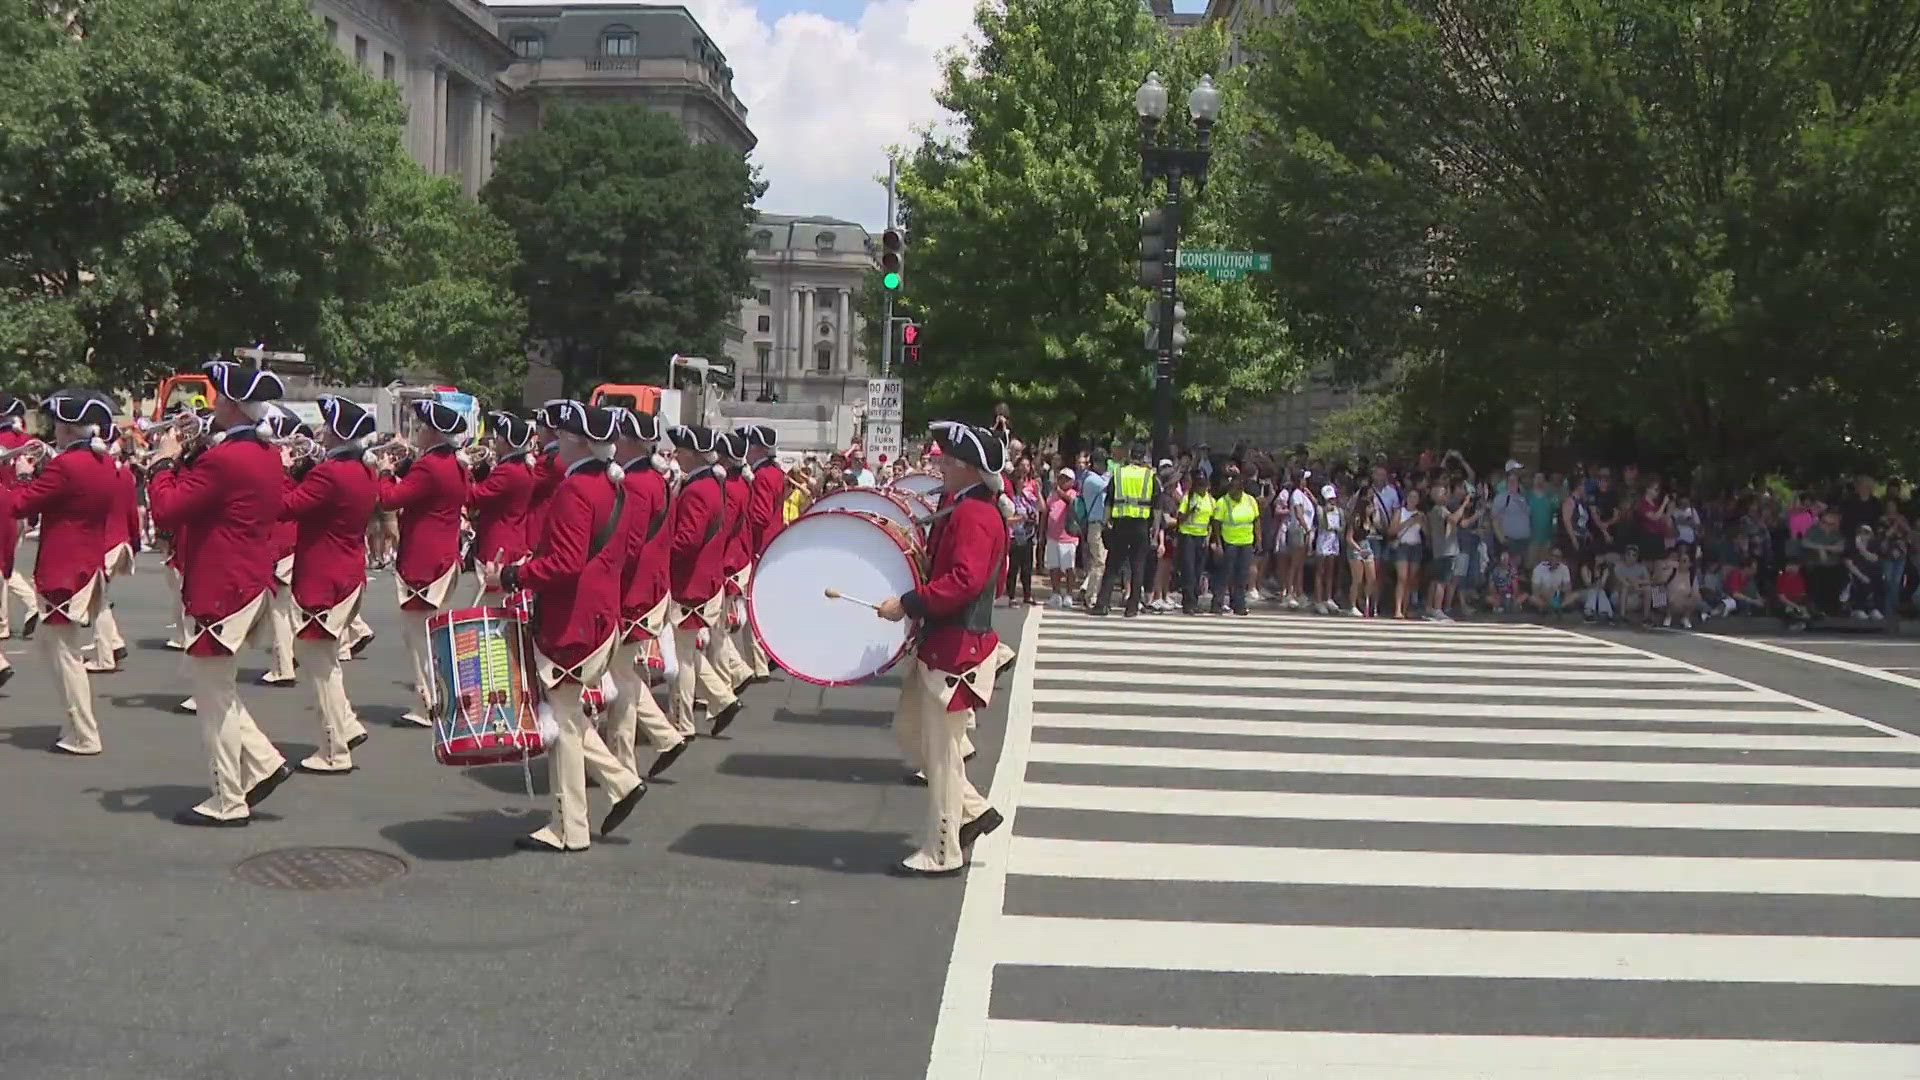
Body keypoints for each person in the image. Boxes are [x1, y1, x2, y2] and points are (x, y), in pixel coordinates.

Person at [483, 402, 647, 854]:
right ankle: (621, 783)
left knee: (564, 725)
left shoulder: (577, 489)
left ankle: (569, 827)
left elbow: (566, 564)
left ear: (576, 440)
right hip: (599, 613)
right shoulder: (613, 485)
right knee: (569, 714)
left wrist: (513, 576)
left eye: (558, 434)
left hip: (573, 618)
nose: (549, 441)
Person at [147, 363, 295, 825]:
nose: (210, 404)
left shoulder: (226, 457)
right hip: (247, 578)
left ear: (231, 404)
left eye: (217, 397)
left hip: (221, 585)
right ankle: (264, 763)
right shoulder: (262, 453)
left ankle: (228, 799)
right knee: (218, 690)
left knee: (212, 699)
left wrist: (164, 460)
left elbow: (168, 507)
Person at [874, 422, 1008, 877]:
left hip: (956, 645)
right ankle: (972, 812)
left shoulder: (974, 515)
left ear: (969, 469)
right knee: (914, 733)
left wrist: (908, 603)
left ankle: (943, 848)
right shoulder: (967, 508)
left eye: (947, 462)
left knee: (942, 753)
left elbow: (965, 581)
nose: (939, 467)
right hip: (944, 640)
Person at [12, 390, 117, 753]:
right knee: (50, 645)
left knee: (64, 655)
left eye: (58, 424)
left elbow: (22, 504)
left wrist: (22, 476)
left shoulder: (67, 465)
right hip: (86, 562)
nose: (54, 431)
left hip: (63, 567)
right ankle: (76, 724)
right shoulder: (100, 462)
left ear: (70, 429)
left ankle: (83, 732)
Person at [281, 395, 379, 774]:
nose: (320, 431)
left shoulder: (330, 473)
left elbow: (285, 507)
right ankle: (347, 724)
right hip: (348, 569)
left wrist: (283, 470)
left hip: (323, 574)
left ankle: (334, 749)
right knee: (327, 658)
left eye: (327, 426)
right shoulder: (361, 470)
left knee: (316, 661)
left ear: (340, 433)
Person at [378, 399, 471, 728]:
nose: (417, 432)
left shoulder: (430, 466)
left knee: (419, 638)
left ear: (433, 433)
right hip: (445, 554)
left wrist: (387, 473)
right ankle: (444, 698)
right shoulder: (455, 464)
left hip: (423, 559)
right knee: (435, 635)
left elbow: (389, 499)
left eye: (421, 428)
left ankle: (428, 704)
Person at [608, 409, 688, 779]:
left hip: (635, 591)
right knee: (622, 673)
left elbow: (630, 544)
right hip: (651, 587)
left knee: (620, 677)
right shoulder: (653, 478)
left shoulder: (637, 483)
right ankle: (663, 737)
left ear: (628, 441)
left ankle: (625, 763)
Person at [664, 425, 743, 738]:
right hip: (703, 578)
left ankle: (684, 722)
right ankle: (722, 700)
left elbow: (686, 542)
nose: (677, 455)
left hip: (691, 582)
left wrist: (659, 552)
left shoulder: (698, 489)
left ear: (695, 454)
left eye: (682, 451)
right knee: (687, 650)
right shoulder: (711, 483)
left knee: (681, 656)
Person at [84, 423, 140, 674]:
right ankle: (115, 644)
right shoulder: (125, 474)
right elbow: (132, 514)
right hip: (122, 543)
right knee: (101, 598)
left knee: (96, 600)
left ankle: (105, 657)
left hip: (104, 544)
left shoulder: (95, 473)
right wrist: (135, 543)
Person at [713, 431, 760, 691]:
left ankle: (726, 683)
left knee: (716, 631)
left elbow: (724, 528)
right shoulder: (739, 483)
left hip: (729, 560)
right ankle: (736, 673)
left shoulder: (731, 487)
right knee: (716, 629)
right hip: (737, 556)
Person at [468, 410, 538, 585]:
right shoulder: (519, 467)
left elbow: (474, 497)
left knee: (494, 605)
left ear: (507, 443)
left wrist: (462, 471)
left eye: (499, 436)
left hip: (498, 546)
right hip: (513, 540)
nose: (495, 440)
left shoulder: (508, 471)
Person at [1090, 439, 1156, 617]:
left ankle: (1102, 604)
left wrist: (1106, 523)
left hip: (1120, 523)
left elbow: (1109, 501)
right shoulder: (1150, 476)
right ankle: (1132, 607)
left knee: (1113, 565)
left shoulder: (1118, 474)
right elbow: (1156, 507)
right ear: (1144, 457)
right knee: (1138, 566)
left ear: (1130, 455)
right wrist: (1155, 531)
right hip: (1141, 525)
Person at [741, 423, 786, 679]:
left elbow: (758, 516)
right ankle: (763, 659)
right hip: (772, 542)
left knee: (753, 607)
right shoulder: (774, 472)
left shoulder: (762, 476)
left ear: (757, 448)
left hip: (761, 545)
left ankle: (759, 663)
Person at [1211, 468, 1260, 615]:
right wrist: (1218, 544)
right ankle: (1217, 603)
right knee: (1225, 574)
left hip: (1246, 542)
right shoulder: (1223, 502)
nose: (1233, 493)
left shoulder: (1250, 501)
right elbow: (1216, 525)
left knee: (1242, 575)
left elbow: (1256, 520)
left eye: (1236, 490)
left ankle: (1239, 604)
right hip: (1229, 542)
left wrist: (1259, 539)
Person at [1174, 471, 1215, 615]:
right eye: (1199, 485)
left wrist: (1208, 538)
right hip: (1187, 536)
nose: (1202, 488)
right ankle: (1188, 602)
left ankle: (1195, 601)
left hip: (1201, 537)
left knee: (1198, 571)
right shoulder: (1188, 497)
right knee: (1189, 571)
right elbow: (1180, 518)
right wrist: (1190, 512)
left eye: (1204, 485)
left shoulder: (1210, 500)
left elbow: (1211, 522)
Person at [1044, 468, 1078, 607]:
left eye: (1066, 479)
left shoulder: (1073, 494)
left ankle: (1069, 594)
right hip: (1052, 536)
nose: (1062, 481)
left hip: (1067, 538)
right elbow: (1046, 512)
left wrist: (1060, 491)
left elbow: (1071, 502)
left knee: (1069, 567)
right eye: (1061, 478)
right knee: (1054, 567)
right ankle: (1056, 593)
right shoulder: (1052, 495)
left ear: (1072, 482)